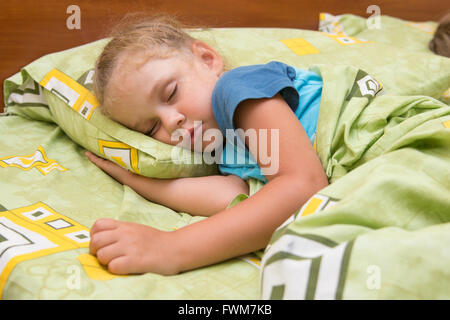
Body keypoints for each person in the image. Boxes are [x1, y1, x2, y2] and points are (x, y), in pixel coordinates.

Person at [85, 13, 329, 275]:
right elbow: (241, 198)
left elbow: (303, 187)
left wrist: (171, 247)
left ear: (207, 59)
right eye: (151, 128)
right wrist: (134, 179)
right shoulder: (225, 150)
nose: (170, 122)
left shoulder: (238, 88)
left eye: (170, 93)